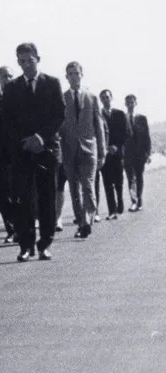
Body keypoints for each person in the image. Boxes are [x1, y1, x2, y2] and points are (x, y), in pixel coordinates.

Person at [1, 42, 65, 262]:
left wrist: (40, 137)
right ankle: (25, 246)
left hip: (46, 148)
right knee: (23, 199)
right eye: (22, 61)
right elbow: (7, 120)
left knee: (47, 197)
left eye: (30, 60)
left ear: (38, 59)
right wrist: (24, 141)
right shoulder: (12, 88)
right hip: (22, 150)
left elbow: (59, 115)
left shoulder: (52, 83)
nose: (26, 65)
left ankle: (45, 244)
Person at [59, 61, 105, 239]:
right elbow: (58, 126)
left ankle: (88, 219)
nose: (74, 77)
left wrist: (102, 151)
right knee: (74, 189)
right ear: (66, 77)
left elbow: (98, 126)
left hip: (89, 149)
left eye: (76, 73)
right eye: (70, 74)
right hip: (69, 149)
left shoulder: (91, 97)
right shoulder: (62, 98)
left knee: (87, 185)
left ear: (81, 75)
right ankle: (81, 223)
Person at [0, 66, 17, 242]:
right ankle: (11, 229)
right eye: (3, 76)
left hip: (19, 150)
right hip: (1, 152)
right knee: (3, 192)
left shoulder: (20, 98)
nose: (7, 79)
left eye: (10, 76)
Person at [99, 88, 130, 219]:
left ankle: (120, 201)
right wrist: (106, 148)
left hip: (118, 153)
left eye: (107, 97)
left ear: (111, 98)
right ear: (100, 100)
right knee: (107, 183)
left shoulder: (120, 114)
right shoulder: (98, 115)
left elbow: (126, 132)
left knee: (118, 180)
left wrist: (117, 146)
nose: (106, 99)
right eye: (103, 98)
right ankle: (112, 211)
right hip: (105, 153)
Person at [124, 93, 152, 212]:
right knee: (131, 178)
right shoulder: (123, 118)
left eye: (132, 102)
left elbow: (146, 137)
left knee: (139, 177)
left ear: (136, 103)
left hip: (140, 154)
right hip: (127, 154)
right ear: (125, 104)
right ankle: (134, 202)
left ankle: (139, 200)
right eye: (128, 102)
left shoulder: (142, 118)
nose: (130, 104)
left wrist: (148, 153)